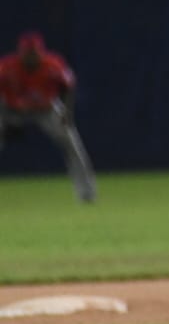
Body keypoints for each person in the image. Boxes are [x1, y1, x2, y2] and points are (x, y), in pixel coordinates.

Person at [0, 31, 97, 204]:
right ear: (20, 53)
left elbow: (69, 86)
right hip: (12, 109)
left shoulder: (52, 64)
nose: (31, 57)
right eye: (28, 53)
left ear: (40, 52)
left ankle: (87, 193)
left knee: (72, 143)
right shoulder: (7, 66)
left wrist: (67, 112)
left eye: (34, 52)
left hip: (46, 109)